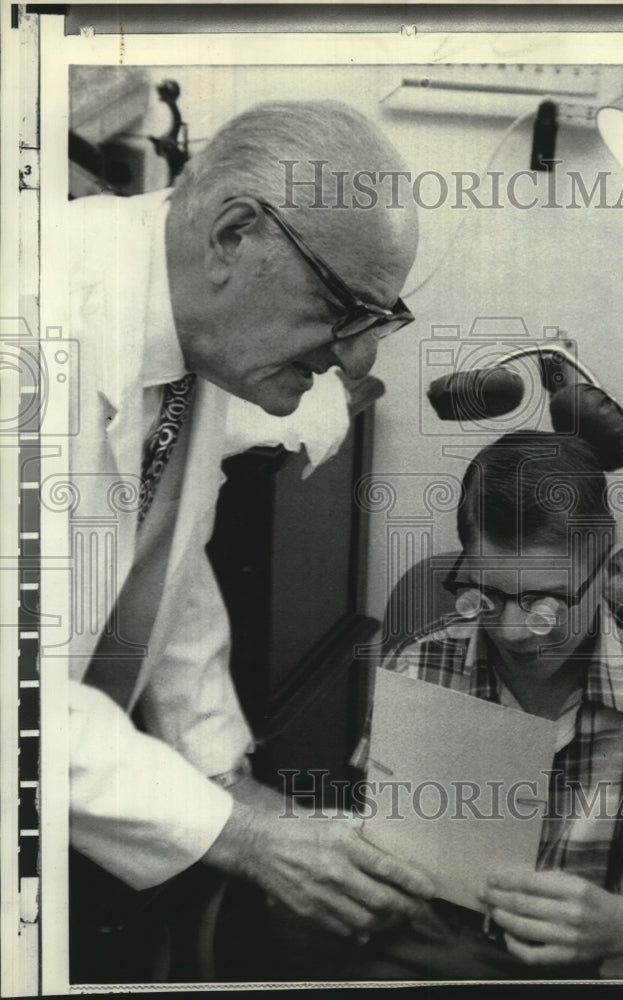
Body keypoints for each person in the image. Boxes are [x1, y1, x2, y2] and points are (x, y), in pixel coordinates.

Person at [67, 98, 435, 967]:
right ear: (235, 236)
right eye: (345, 308)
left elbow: (157, 560)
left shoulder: (187, 328)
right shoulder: (33, 330)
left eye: (377, 322)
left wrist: (228, 776)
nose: (355, 360)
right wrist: (238, 833)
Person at [348, 430, 623, 980]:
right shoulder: (421, 663)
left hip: (555, 968)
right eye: (488, 593)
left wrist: (622, 926)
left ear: (611, 571)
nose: (515, 632)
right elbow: (369, 845)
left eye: (546, 602)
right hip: (414, 949)